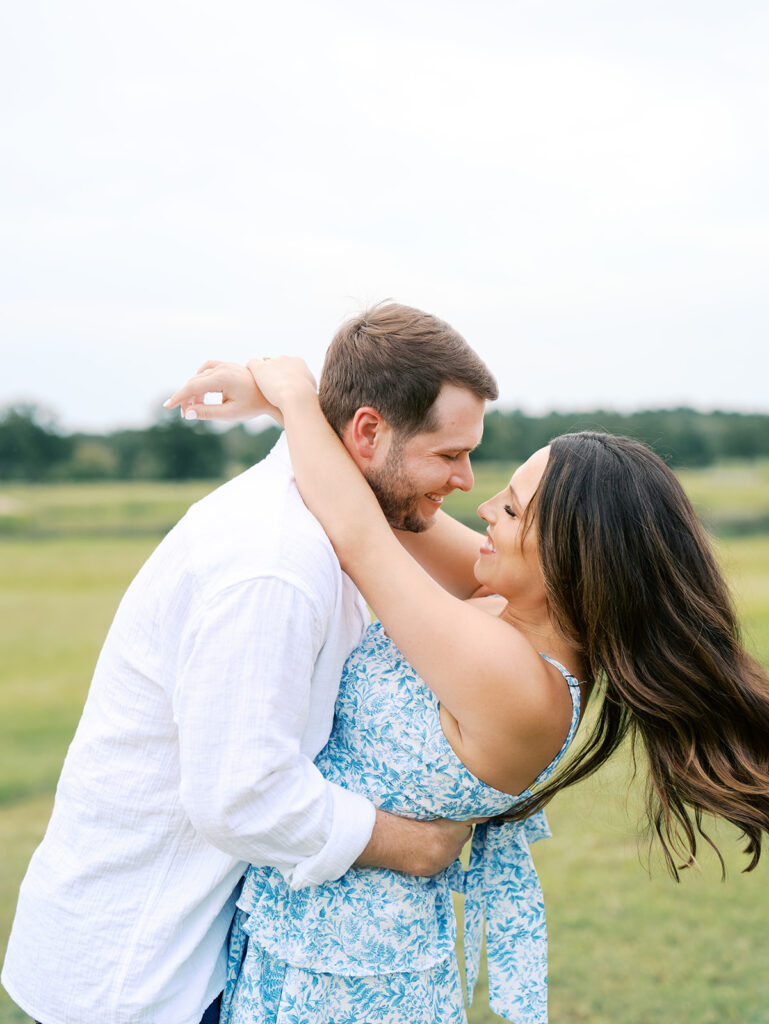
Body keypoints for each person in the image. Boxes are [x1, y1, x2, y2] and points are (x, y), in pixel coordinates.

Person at [165, 355, 769, 1024]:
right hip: (307, 935)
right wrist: (297, 410)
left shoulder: (514, 680)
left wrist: (291, 392)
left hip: (349, 983)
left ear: (565, 553)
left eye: (508, 509)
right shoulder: (505, 608)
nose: (482, 506)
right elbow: (390, 510)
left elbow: (359, 535)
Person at [1, 303, 499, 1024]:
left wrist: (288, 399)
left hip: (198, 952)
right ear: (365, 432)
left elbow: (480, 578)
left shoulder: (332, 515)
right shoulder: (273, 562)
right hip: (143, 976)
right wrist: (415, 845)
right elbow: (241, 794)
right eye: (449, 454)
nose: (465, 479)